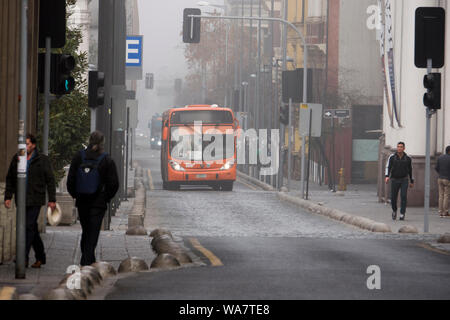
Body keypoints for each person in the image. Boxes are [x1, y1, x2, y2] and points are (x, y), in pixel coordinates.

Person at [4, 133, 56, 268]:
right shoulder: (17, 158)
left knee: (27, 226)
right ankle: (40, 256)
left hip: (35, 198)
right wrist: (8, 197)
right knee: (31, 228)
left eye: (27, 144)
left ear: (33, 145)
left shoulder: (42, 160)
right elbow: (10, 178)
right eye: (22, 145)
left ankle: (23, 256)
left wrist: (52, 200)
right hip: (21, 199)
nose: (24, 147)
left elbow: (50, 180)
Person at [67, 131, 119, 266]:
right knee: (93, 232)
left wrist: (76, 195)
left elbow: (71, 179)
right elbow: (114, 184)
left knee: (86, 230)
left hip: (82, 201)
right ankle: (86, 261)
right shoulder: (107, 159)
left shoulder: (79, 156)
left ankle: (88, 259)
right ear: (103, 143)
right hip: (98, 202)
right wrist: (106, 197)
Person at [385, 142, 414, 221]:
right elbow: (388, 167)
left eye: (401, 147)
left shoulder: (408, 158)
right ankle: (394, 210)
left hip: (404, 179)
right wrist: (387, 176)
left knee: (403, 196)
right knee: (393, 197)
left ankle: (402, 213)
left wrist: (412, 181)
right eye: (398, 147)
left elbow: (411, 169)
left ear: (404, 148)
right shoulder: (392, 157)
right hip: (394, 179)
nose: (399, 148)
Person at [436, 145, 450, 218]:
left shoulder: (440, 157)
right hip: (448, 179)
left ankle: (440, 212)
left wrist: (441, 173)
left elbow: (436, 168)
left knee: (440, 195)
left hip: (440, 178)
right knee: (446, 195)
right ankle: (445, 212)